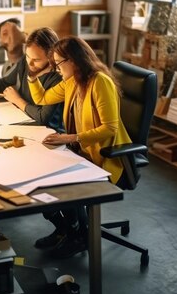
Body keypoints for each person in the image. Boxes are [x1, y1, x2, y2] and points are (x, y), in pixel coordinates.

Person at [28, 36, 132, 258]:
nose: (56, 68)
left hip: (106, 158)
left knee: (62, 183)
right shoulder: (72, 81)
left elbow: (110, 128)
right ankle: (68, 230)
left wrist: (69, 138)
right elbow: (42, 99)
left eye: (59, 63)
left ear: (74, 60)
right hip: (83, 153)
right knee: (43, 176)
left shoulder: (99, 81)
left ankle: (79, 236)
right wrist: (34, 75)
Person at [0, 27, 64, 131]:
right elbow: (4, 82)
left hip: (48, 132)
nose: (30, 63)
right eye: (28, 56)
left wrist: (17, 100)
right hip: (25, 124)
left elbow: (42, 118)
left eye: (36, 60)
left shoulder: (58, 77)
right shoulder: (25, 61)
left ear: (51, 57)